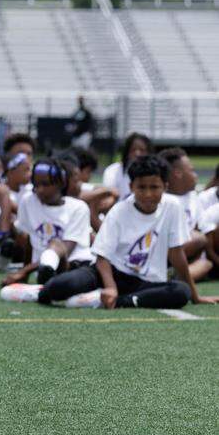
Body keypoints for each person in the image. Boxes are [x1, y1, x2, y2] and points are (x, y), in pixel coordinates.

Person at [91, 156, 217, 310]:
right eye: (142, 187)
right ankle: (102, 295)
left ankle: (122, 301)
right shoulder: (119, 210)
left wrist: (195, 297)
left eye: (154, 187)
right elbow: (102, 256)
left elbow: (176, 253)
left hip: (147, 282)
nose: (148, 194)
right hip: (115, 273)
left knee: (181, 291)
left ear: (165, 186)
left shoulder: (172, 206)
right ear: (131, 187)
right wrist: (111, 287)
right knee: (70, 283)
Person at [1, 159, 93, 293]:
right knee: (6, 293)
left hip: (74, 266)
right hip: (42, 270)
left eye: (46, 184)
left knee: (55, 244)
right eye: (36, 185)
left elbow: (66, 250)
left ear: (61, 183)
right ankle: (48, 285)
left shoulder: (78, 208)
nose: (40, 190)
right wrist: (24, 275)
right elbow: (28, 239)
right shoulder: (28, 201)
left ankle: (51, 284)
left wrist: (25, 271)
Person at [157, 148, 211, 280]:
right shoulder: (161, 199)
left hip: (184, 256)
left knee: (205, 264)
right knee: (199, 238)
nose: (195, 175)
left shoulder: (192, 197)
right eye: (192, 170)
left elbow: (201, 227)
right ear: (178, 173)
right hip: (160, 252)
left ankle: (170, 278)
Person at [101, 132, 151, 203]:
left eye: (142, 150)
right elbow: (107, 196)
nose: (137, 153)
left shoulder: (155, 172)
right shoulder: (113, 170)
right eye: (133, 149)